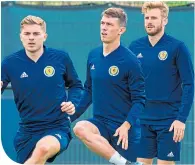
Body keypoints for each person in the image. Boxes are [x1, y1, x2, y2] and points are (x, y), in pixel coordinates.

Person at [1, 15, 83, 165]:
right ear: (21, 37)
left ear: (44, 36)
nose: (31, 38)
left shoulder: (60, 57)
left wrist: (72, 102)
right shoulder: (9, 63)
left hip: (57, 126)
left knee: (43, 149)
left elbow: (76, 85)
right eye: (27, 34)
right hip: (27, 131)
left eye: (36, 34)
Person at [71, 8, 145, 165]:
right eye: (102, 23)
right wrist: (69, 117)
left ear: (121, 30)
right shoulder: (93, 55)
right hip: (100, 124)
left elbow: (139, 100)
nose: (104, 28)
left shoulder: (130, 61)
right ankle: (125, 164)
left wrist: (126, 125)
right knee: (80, 128)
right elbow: (89, 91)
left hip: (124, 130)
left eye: (109, 24)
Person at [129, 2, 194, 165]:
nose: (149, 21)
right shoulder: (134, 47)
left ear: (164, 20)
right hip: (142, 120)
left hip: (169, 120)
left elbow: (189, 84)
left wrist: (181, 119)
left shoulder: (177, 47)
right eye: (146, 18)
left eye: (154, 18)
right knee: (141, 163)